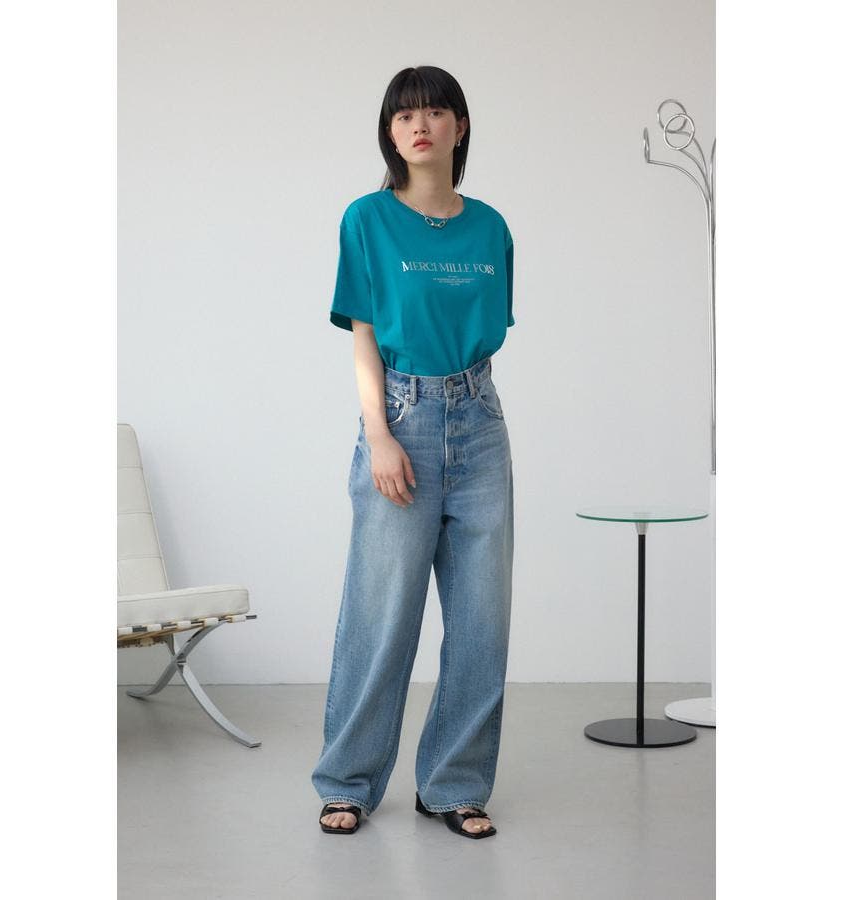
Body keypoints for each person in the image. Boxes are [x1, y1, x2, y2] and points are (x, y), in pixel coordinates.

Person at [311, 65, 515, 840]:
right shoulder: (367, 220)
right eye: (403, 116)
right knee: (381, 613)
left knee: (482, 618)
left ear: (460, 126)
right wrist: (380, 435)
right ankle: (348, 782)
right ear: (389, 133)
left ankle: (454, 785)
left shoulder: (490, 227)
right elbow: (364, 336)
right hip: (402, 415)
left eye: (434, 112)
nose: (419, 126)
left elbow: (486, 331)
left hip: (480, 421)